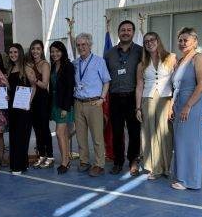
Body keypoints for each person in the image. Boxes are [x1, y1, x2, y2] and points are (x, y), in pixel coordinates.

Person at [171, 27, 202, 190]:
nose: (182, 43)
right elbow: (176, 86)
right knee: (181, 142)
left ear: (195, 42)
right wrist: (173, 106)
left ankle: (190, 181)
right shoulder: (180, 61)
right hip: (180, 104)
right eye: (180, 40)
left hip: (193, 104)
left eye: (185, 40)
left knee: (191, 142)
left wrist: (188, 106)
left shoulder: (199, 58)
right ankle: (181, 176)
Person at [135, 32, 176, 180]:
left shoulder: (171, 58)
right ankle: (154, 168)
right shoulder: (142, 64)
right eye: (146, 41)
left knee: (165, 134)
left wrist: (173, 103)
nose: (149, 43)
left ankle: (166, 167)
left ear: (158, 41)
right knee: (149, 133)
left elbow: (176, 83)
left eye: (152, 40)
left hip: (166, 99)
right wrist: (138, 108)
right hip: (148, 100)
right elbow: (139, 86)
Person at [105, 20, 142, 176]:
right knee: (117, 132)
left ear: (133, 32)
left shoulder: (141, 51)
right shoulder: (109, 53)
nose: (125, 32)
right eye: (123, 30)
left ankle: (133, 160)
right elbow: (104, 77)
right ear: (118, 32)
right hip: (115, 98)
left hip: (133, 97)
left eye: (129, 30)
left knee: (134, 132)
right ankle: (118, 162)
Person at [73, 33, 111, 176]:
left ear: (90, 45)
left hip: (94, 103)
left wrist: (102, 98)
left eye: (84, 44)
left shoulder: (99, 61)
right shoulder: (75, 63)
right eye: (78, 45)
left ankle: (99, 164)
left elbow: (106, 81)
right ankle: (84, 161)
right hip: (78, 103)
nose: (81, 47)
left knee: (97, 136)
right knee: (80, 136)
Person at [7, 43, 35, 175]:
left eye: (15, 52)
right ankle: (21, 164)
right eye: (11, 52)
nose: (13, 54)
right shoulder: (10, 69)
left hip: (24, 108)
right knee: (14, 136)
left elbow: (34, 87)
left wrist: (29, 102)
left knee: (21, 136)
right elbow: (11, 89)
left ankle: (18, 166)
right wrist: (7, 94)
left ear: (20, 53)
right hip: (12, 108)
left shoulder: (27, 68)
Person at [27, 39, 54, 168]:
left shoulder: (45, 64)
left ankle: (50, 156)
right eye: (33, 48)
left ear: (42, 50)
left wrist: (35, 80)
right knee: (37, 129)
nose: (35, 51)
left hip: (42, 99)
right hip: (32, 99)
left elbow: (44, 84)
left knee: (44, 128)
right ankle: (41, 155)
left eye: (38, 48)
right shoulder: (29, 64)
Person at [49, 41, 75, 174]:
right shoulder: (53, 65)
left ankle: (65, 161)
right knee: (63, 133)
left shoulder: (68, 66)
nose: (55, 54)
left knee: (59, 133)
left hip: (64, 104)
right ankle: (66, 159)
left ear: (63, 52)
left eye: (57, 51)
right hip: (55, 102)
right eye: (52, 51)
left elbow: (70, 88)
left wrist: (65, 108)